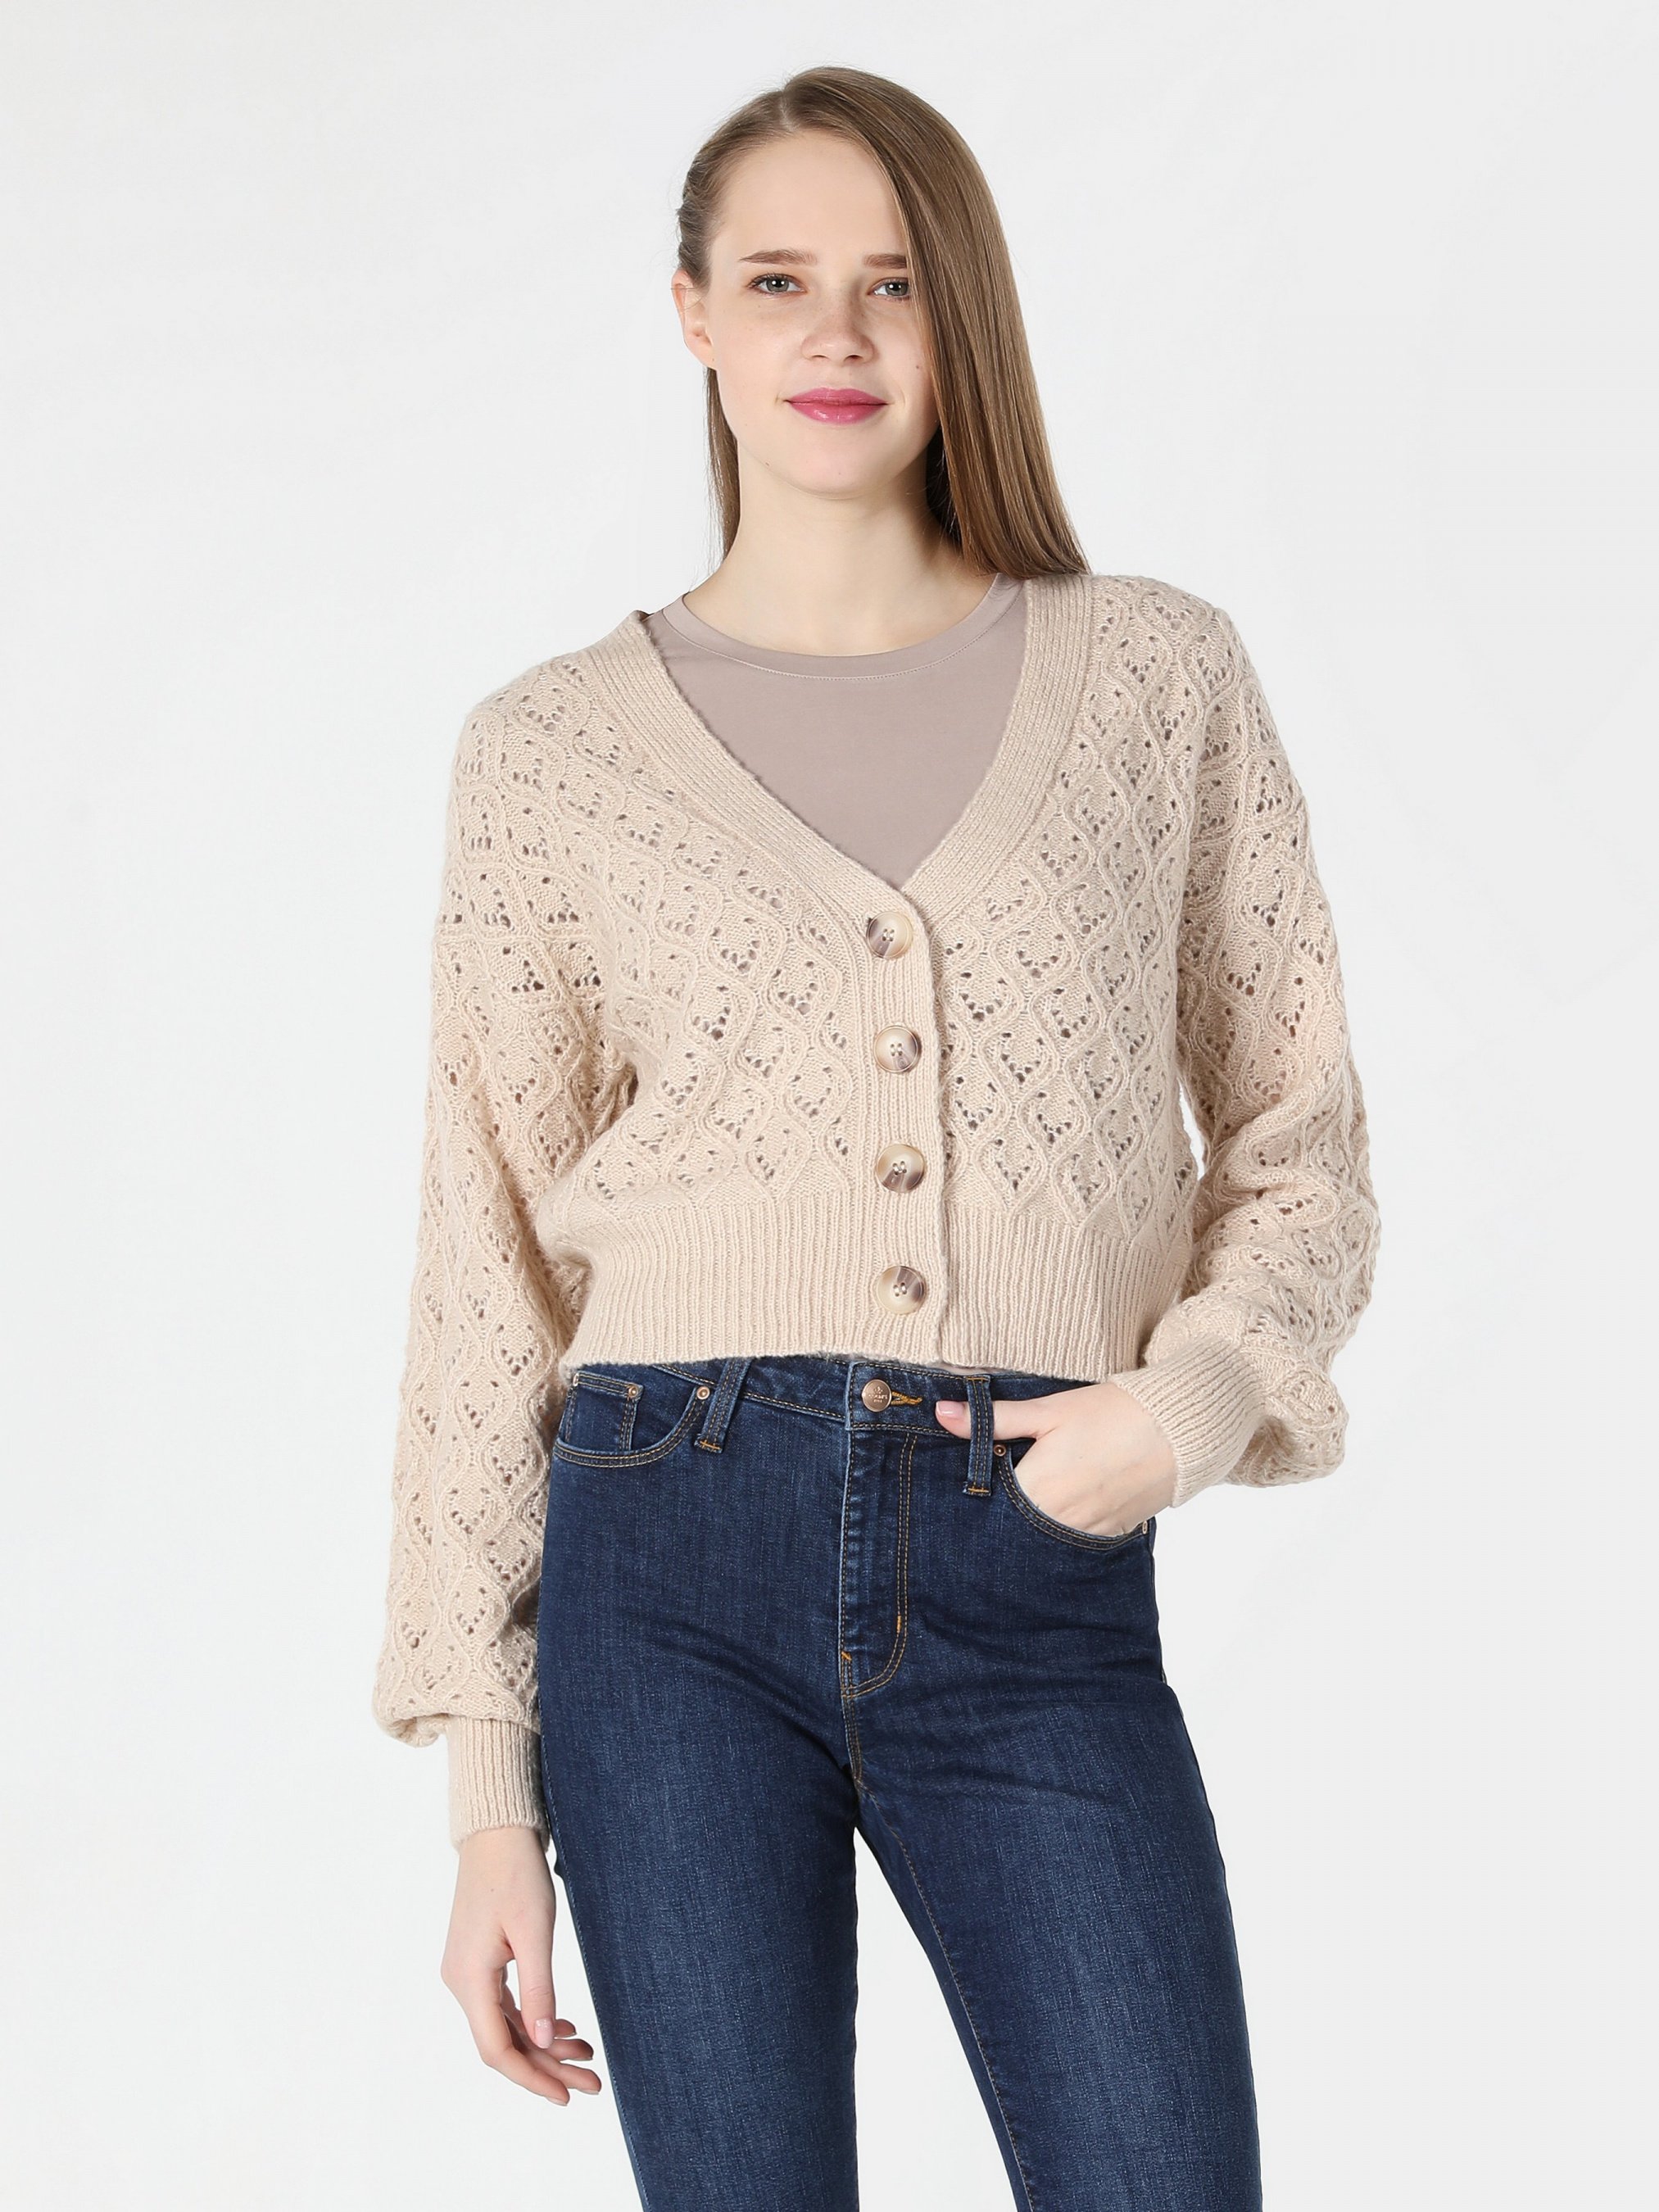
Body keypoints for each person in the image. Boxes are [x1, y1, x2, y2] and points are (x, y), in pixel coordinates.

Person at [372, 64, 1380, 2212]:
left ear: (963, 315)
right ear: (692, 315)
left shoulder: (1156, 680)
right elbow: (486, 1262)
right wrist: (487, 1791)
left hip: (1037, 1561)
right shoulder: (547, 754)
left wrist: (1189, 1402)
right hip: (661, 1563)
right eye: (777, 281)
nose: (835, 334)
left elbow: (1297, 1135)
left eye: (893, 284)